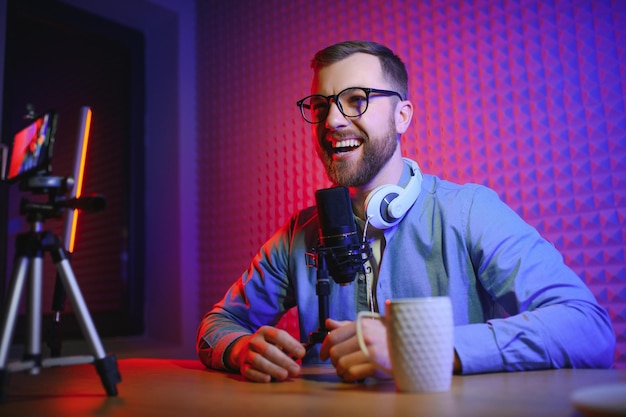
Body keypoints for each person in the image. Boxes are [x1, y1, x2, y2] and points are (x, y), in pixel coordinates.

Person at [197, 40, 616, 383]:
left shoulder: (469, 210)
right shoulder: (299, 235)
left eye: (355, 100)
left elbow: (588, 328)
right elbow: (217, 325)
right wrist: (239, 349)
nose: (332, 121)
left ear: (403, 116)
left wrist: (422, 349)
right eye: (322, 106)